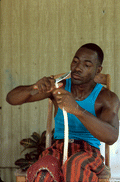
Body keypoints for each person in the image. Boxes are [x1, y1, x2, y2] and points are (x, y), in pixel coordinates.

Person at [6, 43, 120, 182]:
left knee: (75, 166)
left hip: (88, 152)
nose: (77, 68)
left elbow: (112, 137)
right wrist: (33, 87)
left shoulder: (107, 98)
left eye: (87, 65)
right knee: (43, 171)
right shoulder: (59, 87)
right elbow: (11, 98)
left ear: (98, 70)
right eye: (75, 61)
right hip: (57, 149)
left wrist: (77, 110)